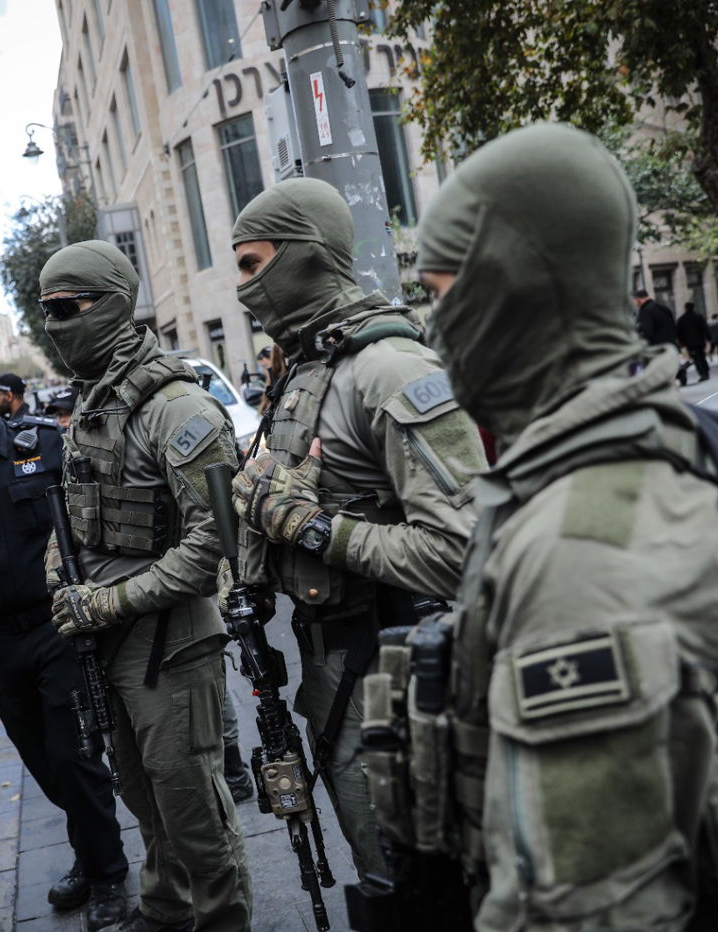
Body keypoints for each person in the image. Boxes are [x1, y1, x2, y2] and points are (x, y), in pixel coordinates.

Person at [407, 122, 718, 929]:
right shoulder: (664, 443)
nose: (432, 329)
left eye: (440, 297)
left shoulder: (581, 550)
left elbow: (580, 908)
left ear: (511, 287)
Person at [226, 177, 485, 884]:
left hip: (396, 681)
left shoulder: (388, 368)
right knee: (377, 874)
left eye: (254, 264)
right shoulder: (305, 366)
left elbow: (464, 553)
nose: (244, 287)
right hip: (331, 671)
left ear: (306, 254)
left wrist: (314, 529)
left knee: (413, 885)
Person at [39, 240, 252, 932]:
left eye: (67, 309)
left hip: (173, 641)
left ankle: (222, 920)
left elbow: (215, 545)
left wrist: (107, 601)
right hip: (111, 639)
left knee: (192, 805)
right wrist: (59, 577)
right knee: (142, 795)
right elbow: (75, 518)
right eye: (46, 313)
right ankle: (167, 910)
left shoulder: (179, 408)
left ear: (114, 304)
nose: (55, 326)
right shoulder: (97, 405)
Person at [0, 357, 129, 930]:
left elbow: (92, 519)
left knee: (74, 755)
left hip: (58, 629)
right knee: (42, 761)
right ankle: (90, 853)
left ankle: (109, 874)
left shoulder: (45, 444)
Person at [677, 301, 711, 382]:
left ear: (685, 308)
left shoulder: (682, 319)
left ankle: (703, 373)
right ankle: (706, 372)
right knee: (702, 356)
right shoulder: (699, 316)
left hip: (690, 343)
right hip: (700, 341)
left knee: (696, 358)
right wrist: (708, 338)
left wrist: (681, 342)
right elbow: (705, 328)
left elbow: (679, 332)